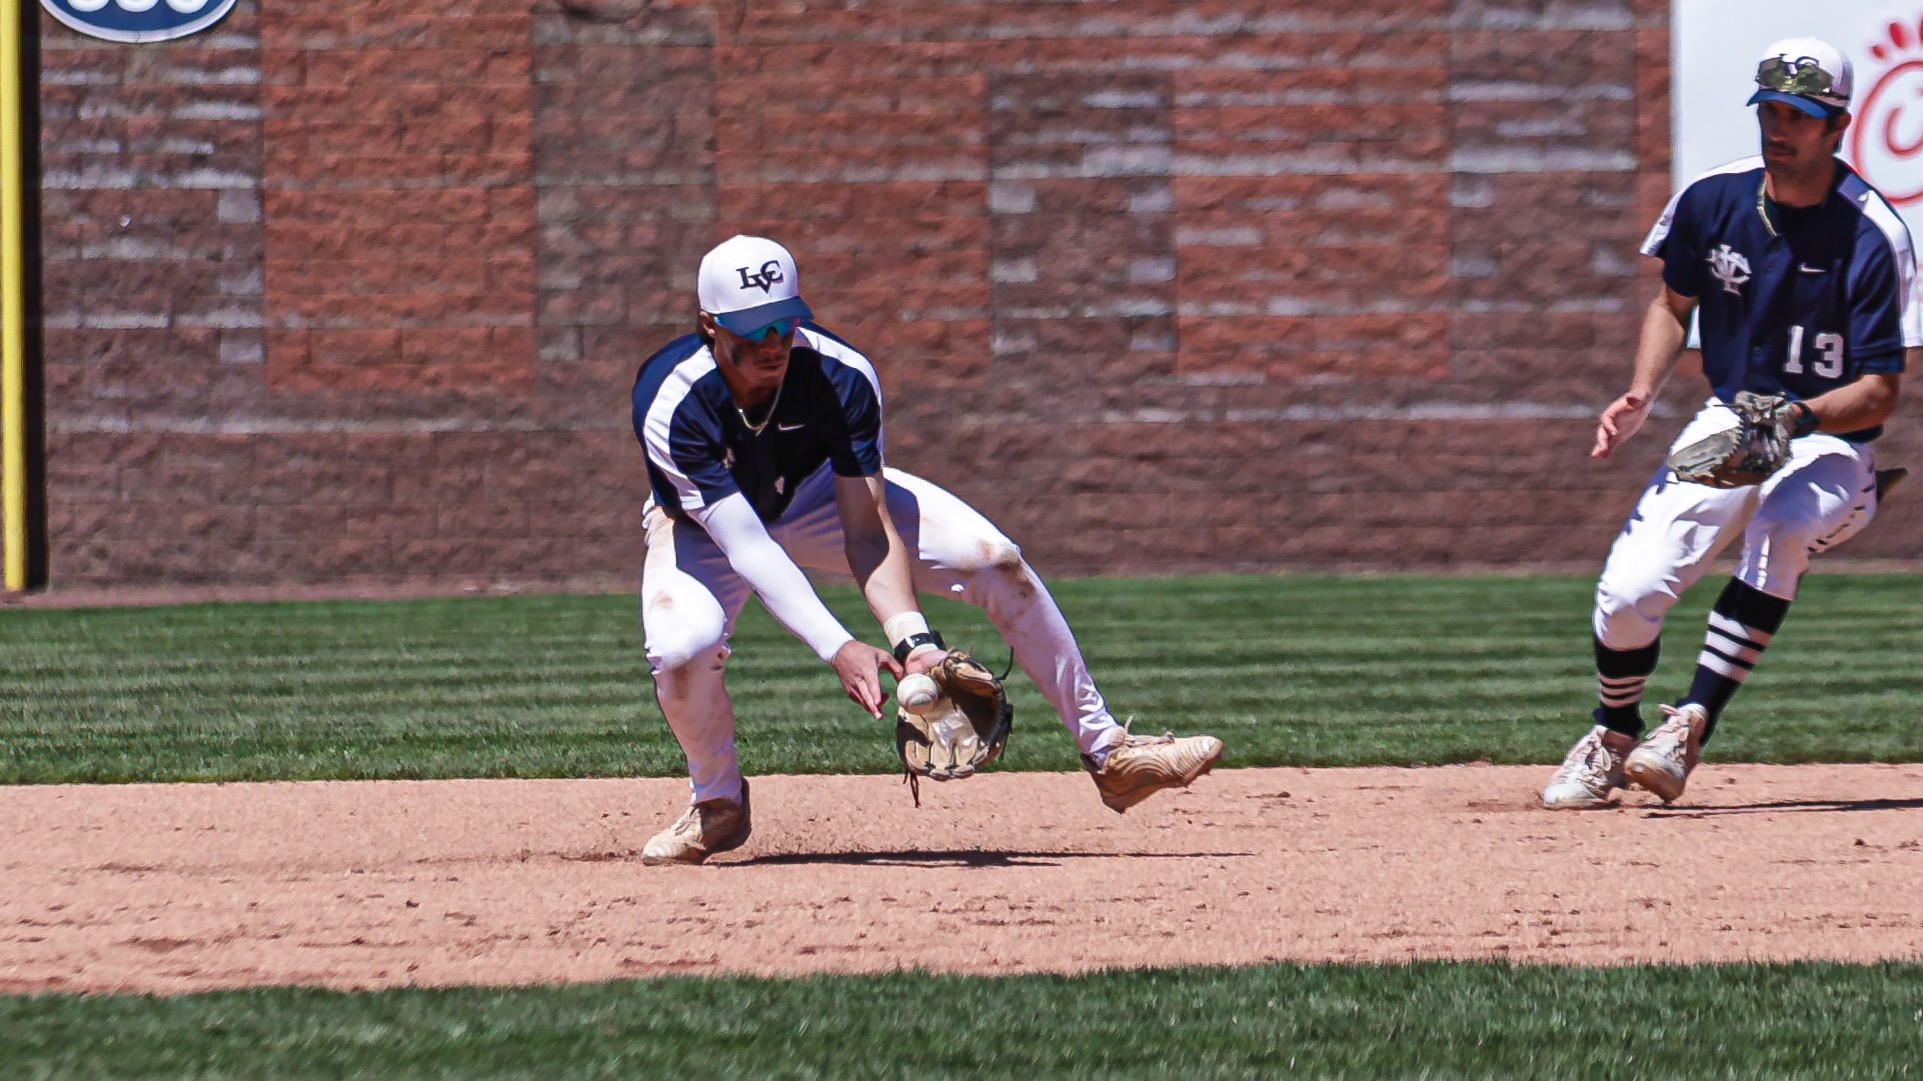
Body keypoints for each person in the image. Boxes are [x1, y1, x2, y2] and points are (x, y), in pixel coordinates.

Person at [630, 234, 1225, 862]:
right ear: (709, 325)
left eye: (784, 323)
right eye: (752, 330)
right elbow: (747, 545)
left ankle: (1110, 754)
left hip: (813, 497)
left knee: (992, 559)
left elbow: (864, 526)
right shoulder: (674, 399)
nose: (773, 343)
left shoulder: (840, 376)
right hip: (705, 526)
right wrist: (840, 646)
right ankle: (718, 803)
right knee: (681, 649)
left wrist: (912, 641)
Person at [1541, 37, 1920, 809]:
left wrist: (1798, 413)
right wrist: (1642, 390)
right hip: (1730, 421)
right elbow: (1670, 305)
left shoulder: (1871, 236)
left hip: (1826, 438)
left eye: (1800, 115)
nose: (1779, 127)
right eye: (1770, 110)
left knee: (1781, 527)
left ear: (1837, 124)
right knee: (1626, 593)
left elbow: (1881, 388)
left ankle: (1688, 723)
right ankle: (1613, 731)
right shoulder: (1710, 201)